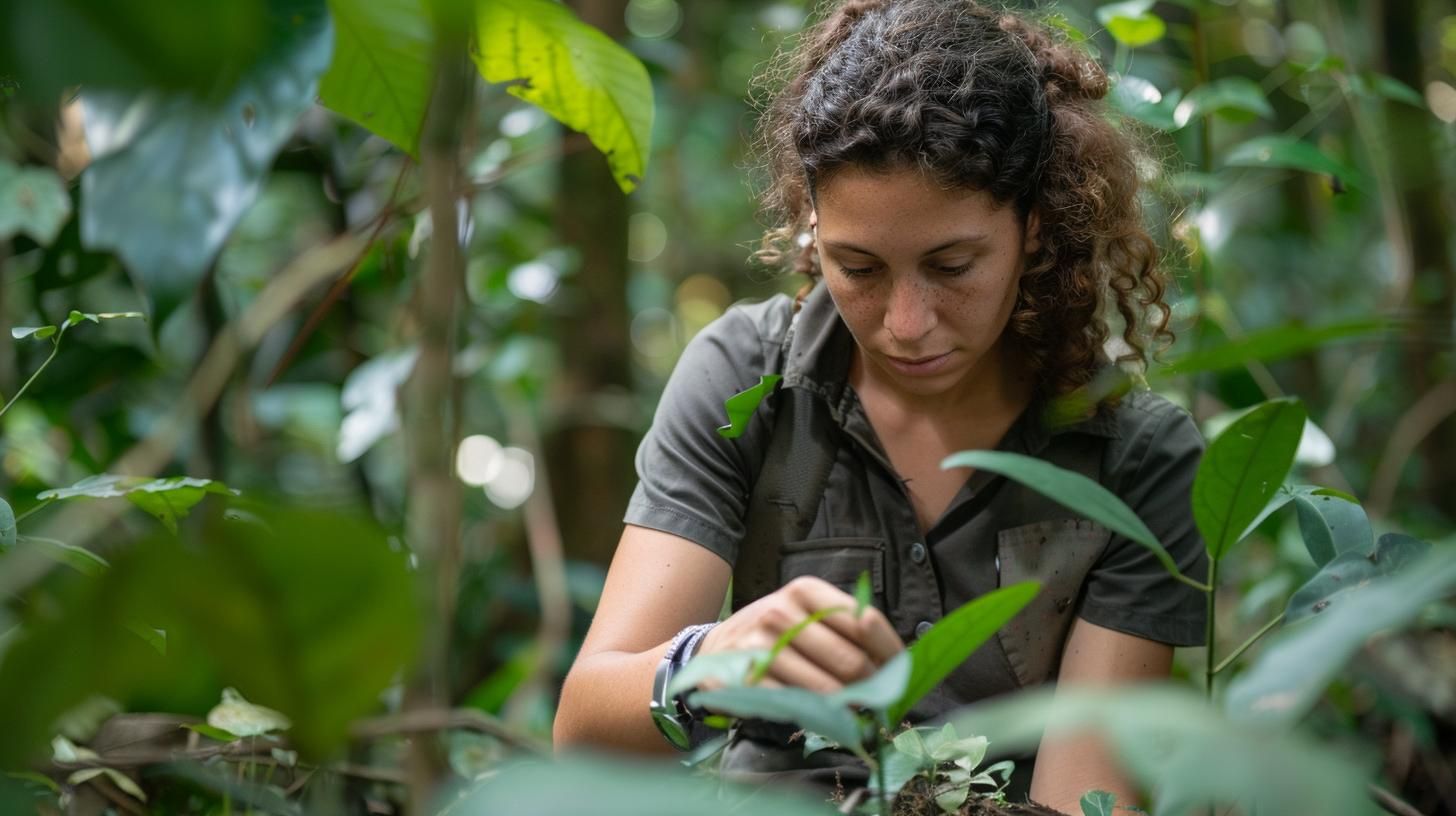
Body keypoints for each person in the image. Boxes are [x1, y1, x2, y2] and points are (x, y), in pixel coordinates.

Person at [553, 0, 1208, 811]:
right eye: (858, 268)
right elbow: (583, 734)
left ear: (1034, 228)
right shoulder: (743, 381)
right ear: (812, 230)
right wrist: (712, 662)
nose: (905, 325)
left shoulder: (1136, 460)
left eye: (953, 265)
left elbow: (1087, 797)